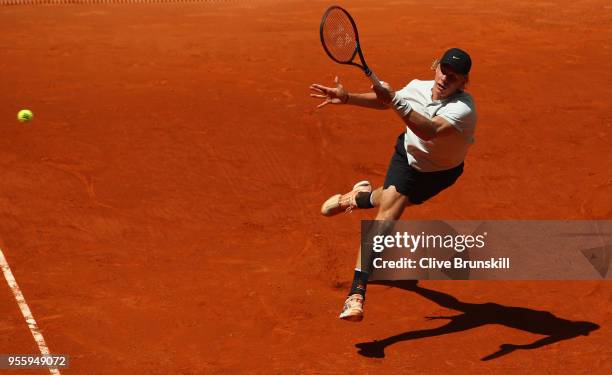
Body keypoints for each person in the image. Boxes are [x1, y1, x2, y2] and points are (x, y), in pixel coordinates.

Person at [309, 48, 477, 322]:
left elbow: (429, 130)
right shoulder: (416, 88)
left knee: (388, 199)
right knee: (386, 218)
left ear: (462, 83)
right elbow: (384, 101)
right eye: (443, 70)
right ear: (435, 67)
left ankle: (357, 197)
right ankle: (356, 294)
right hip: (408, 160)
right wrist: (348, 97)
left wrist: (396, 100)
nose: (446, 78)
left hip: (442, 174)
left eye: (454, 76)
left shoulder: (464, 109)